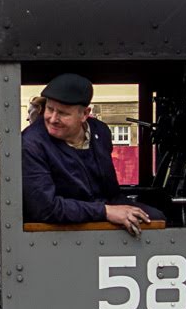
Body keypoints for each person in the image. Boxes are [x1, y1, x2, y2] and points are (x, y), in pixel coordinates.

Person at [22, 73, 162, 236]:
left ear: (85, 114)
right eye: (50, 109)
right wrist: (105, 212)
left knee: (156, 219)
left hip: (107, 205)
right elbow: (45, 208)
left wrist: (114, 209)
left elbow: (111, 192)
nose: (53, 119)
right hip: (63, 220)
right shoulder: (32, 144)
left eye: (63, 113)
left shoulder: (100, 132)